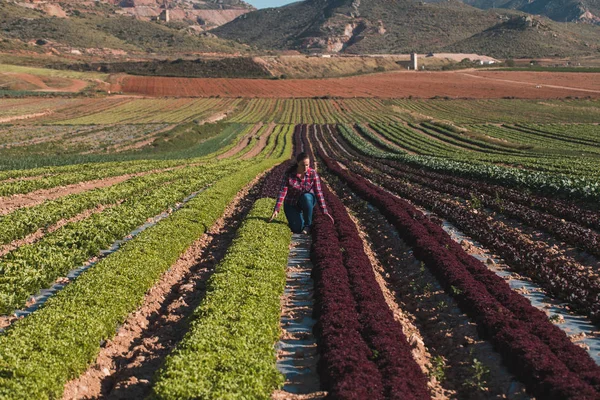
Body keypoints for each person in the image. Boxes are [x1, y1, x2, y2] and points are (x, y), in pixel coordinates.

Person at [269, 152, 334, 234]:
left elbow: (318, 192)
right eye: (303, 165)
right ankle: (300, 218)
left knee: (306, 197)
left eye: (307, 165)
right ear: (297, 163)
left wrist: (324, 210)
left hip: (306, 200)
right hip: (291, 203)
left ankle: (308, 225)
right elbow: (283, 191)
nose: (305, 168)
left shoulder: (312, 173)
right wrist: (277, 208)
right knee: (297, 229)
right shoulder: (289, 174)